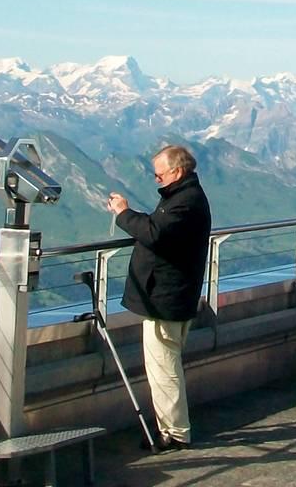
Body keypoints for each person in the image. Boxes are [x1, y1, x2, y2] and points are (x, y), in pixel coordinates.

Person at [107, 143, 212, 452]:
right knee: (167, 365)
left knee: (163, 369)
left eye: (159, 175)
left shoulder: (184, 202)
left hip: (165, 300)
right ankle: (171, 427)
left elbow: (154, 232)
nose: (157, 181)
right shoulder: (185, 197)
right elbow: (159, 229)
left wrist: (123, 212)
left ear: (176, 171)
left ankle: (175, 433)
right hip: (173, 296)